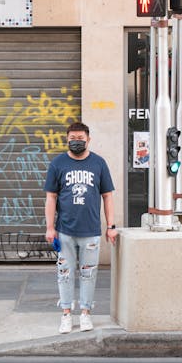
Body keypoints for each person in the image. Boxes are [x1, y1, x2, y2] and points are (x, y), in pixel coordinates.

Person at [44, 121, 118, 334]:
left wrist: (111, 226)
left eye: (80, 139)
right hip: (64, 231)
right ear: (67, 139)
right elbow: (51, 197)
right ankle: (66, 314)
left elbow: (108, 196)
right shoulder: (58, 164)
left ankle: (85, 313)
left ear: (88, 139)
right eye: (72, 139)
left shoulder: (99, 164)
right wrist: (50, 227)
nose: (76, 142)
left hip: (91, 231)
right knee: (64, 274)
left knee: (89, 275)